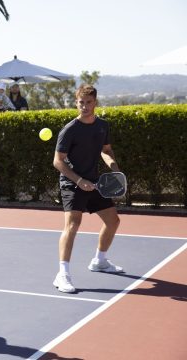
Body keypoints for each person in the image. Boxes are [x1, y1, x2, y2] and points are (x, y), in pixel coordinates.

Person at [52, 84, 122, 293]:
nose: (84, 106)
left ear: (95, 103)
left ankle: (100, 260)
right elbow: (57, 161)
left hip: (94, 181)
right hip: (71, 183)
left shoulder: (102, 126)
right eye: (81, 102)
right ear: (76, 103)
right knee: (73, 225)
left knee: (113, 221)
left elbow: (106, 150)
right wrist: (78, 180)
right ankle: (62, 274)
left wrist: (114, 169)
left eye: (88, 102)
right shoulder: (70, 130)